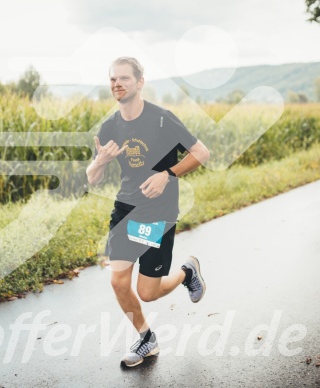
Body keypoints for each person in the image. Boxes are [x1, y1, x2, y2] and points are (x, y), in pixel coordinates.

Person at [86, 57, 210, 367]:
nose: (117, 83)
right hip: (125, 209)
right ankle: (146, 338)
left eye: (124, 78)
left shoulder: (161, 119)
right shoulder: (111, 125)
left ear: (140, 83)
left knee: (148, 292)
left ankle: (187, 272)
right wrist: (100, 161)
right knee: (117, 282)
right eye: (113, 78)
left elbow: (201, 152)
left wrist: (168, 174)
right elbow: (92, 177)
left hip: (157, 214)